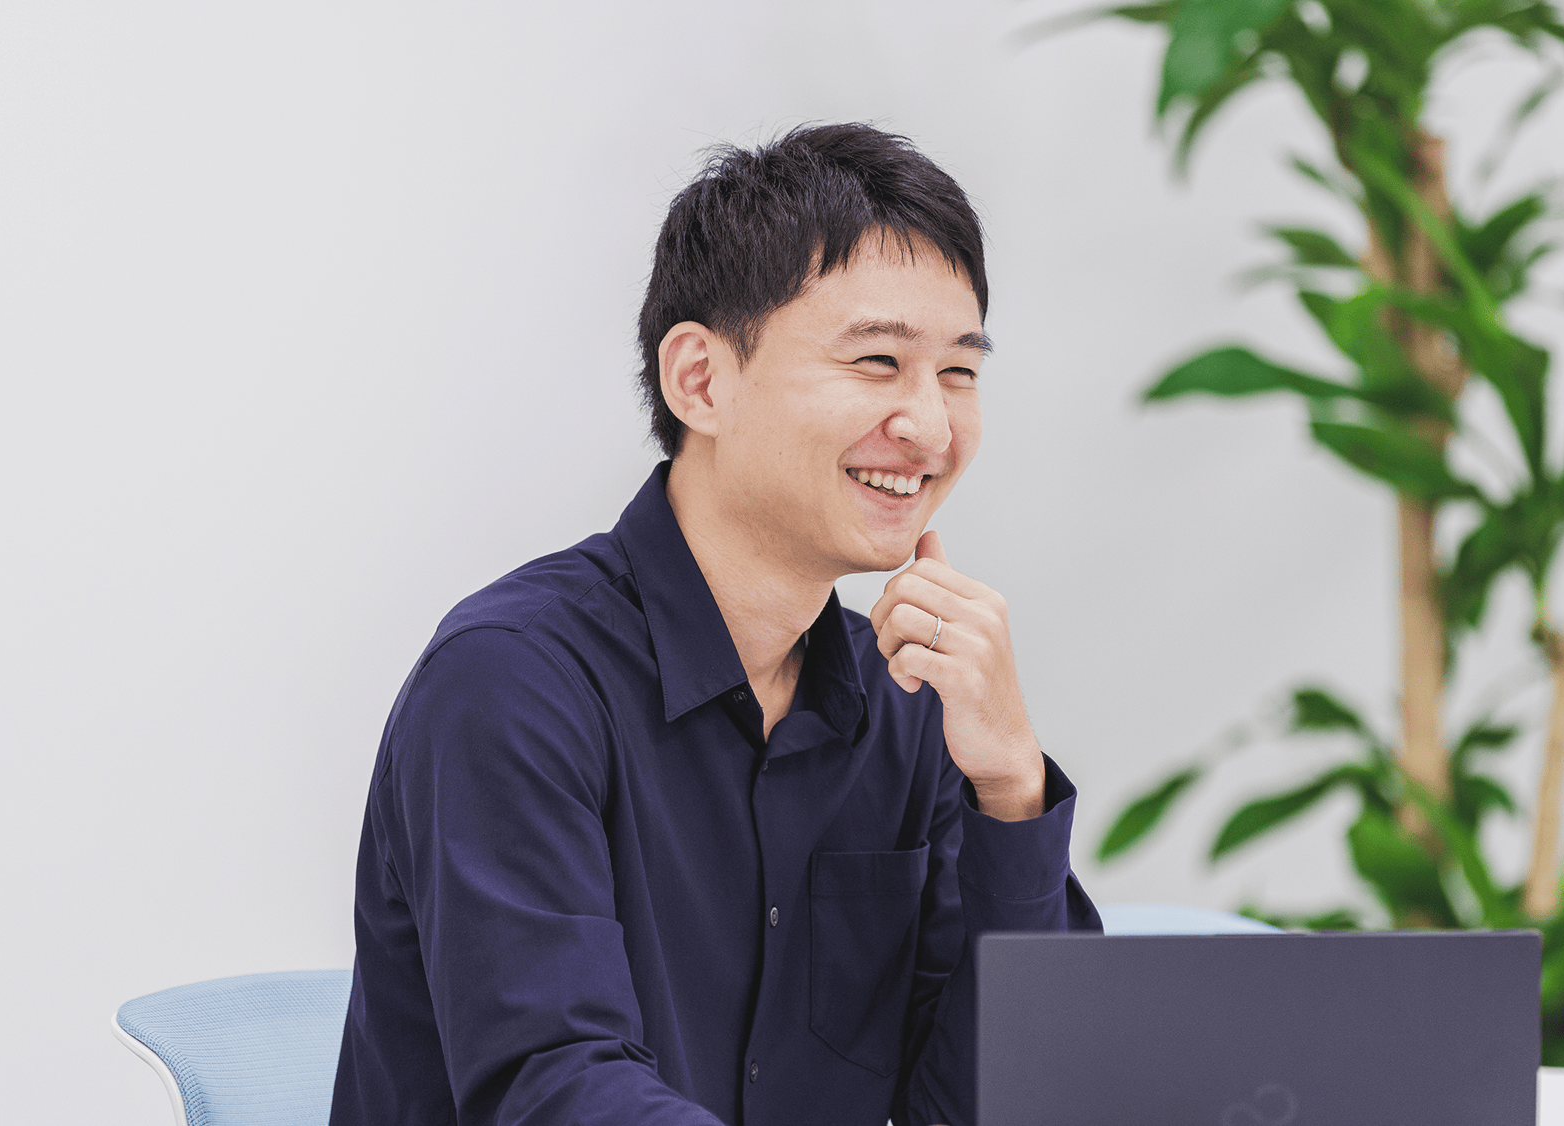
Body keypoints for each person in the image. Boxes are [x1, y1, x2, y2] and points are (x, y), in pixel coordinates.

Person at [329, 122, 1102, 1126]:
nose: (930, 426)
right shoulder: (511, 683)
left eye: (959, 372)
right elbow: (556, 1089)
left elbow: (1005, 1104)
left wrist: (1009, 790)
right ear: (699, 379)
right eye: (877, 360)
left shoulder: (910, 706)